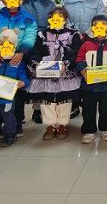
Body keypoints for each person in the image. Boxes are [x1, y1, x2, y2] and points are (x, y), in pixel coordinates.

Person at [0, 0, 38, 137]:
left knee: (17, 92)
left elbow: (30, 37)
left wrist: (21, 53)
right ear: (3, 0)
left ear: (21, 0)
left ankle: (16, 124)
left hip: (18, 60)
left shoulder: (29, 19)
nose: (12, 1)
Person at [28, 7, 83, 141]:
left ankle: (62, 124)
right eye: (53, 18)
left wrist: (67, 63)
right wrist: (35, 62)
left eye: (60, 18)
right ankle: (50, 125)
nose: (56, 20)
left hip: (65, 74)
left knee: (64, 100)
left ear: (65, 20)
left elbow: (76, 51)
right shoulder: (42, 34)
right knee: (46, 100)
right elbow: (36, 50)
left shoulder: (73, 34)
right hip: (45, 73)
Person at [76, 15, 107, 143]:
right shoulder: (86, 44)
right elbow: (79, 58)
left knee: (106, 107)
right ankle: (89, 130)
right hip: (89, 84)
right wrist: (82, 69)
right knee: (88, 108)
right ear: (92, 28)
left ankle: (106, 129)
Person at [21, 0, 56, 124]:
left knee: (41, 75)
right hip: (25, 41)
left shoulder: (49, 3)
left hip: (44, 43)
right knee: (24, 74)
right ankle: (19, 112)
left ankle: (38, 109)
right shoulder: (21, 1)